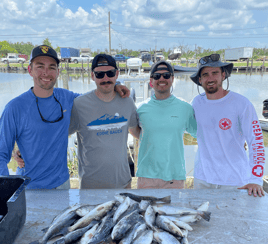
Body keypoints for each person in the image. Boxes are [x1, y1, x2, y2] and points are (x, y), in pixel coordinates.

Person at [0, 45, 129, 189]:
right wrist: (4, 192)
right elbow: (1, 153)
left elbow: (96, 99)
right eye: (40, 66)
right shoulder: (14, 108)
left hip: (62, 185)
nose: (46, 72)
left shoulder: (67, 98)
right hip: (29, 187)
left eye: (52, 67)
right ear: (30, 70)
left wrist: (115, 85)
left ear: (58, 72)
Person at [190, 53, 265, 197]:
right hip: (202, 179)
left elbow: (256, 142)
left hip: (235, 180)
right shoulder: (195, 103)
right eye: (205, 74)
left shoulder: (242, 104)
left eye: (215, 73)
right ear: (200, 80)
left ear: (223, 75)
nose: (210, 78)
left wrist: (256, 179)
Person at [68, 53, 139, 189]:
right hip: (90, 186)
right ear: (92, 76)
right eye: (100, 75)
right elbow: (59, 134)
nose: (106, 78)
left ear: (117, 74)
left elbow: (137, 132)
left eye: (110, 73)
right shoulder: (79, 104)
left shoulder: (127, 101)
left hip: (123, 183)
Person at [129, 60, 197, 189]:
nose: (161, 79)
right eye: (157, 76)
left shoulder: (185, 108)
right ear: (151, 81)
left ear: (172, 79)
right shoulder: (140, 108)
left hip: (175, 177)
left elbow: (200, 134)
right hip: (146, 177)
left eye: (166, 75)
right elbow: (134, 131)